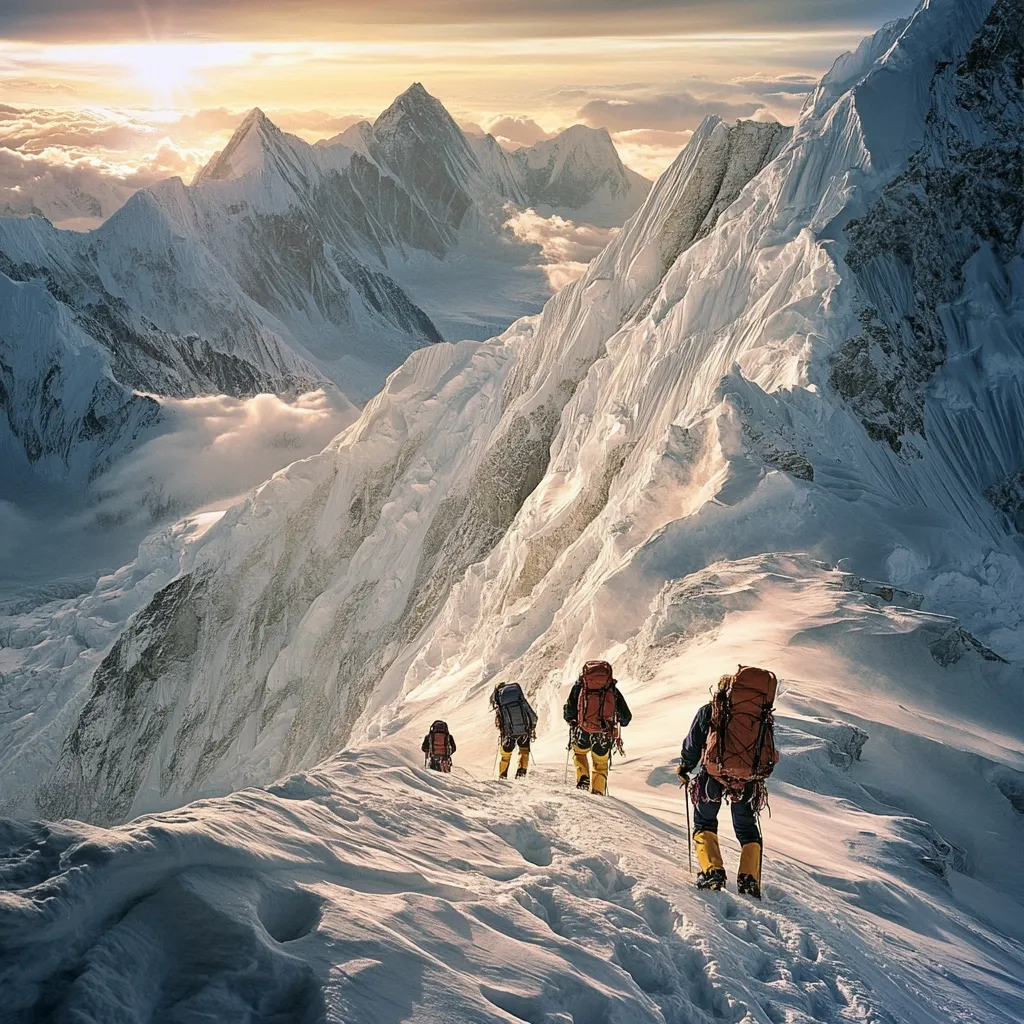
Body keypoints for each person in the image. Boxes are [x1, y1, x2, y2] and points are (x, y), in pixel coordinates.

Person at [677, 667, 779, 899]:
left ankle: (712, 871)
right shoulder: (760, 715)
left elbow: (693, 743)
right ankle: (749, 879)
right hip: (749, 781)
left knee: (704, 822)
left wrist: (684, 767)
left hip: (712, 776)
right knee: (746, 828)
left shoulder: (711, 711)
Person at [562, 660, 631, 796]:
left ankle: (583, 776)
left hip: (583, 729)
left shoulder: (580, 687)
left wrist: (572, 720)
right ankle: (598, 791)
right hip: (604, 733)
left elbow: (569, 710)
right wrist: (619, 723)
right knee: (600, 764)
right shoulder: (611, 689)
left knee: (579, 752)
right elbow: (626, 716)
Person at [491, 682, 538, 779]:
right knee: (524, 750)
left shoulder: (501, 703)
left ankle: (503, 774)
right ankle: (521, 772)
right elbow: (532, 716)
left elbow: (500, 721)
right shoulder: (519, 700)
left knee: (505, 754)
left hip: (508, 733)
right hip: (524, 730)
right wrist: (531, 727)